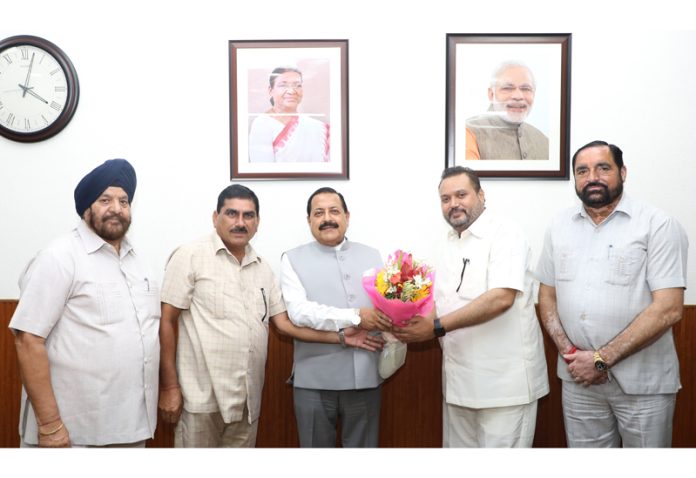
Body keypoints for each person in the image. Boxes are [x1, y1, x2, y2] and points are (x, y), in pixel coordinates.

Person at [158, 184, 380, 447]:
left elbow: (284, 325)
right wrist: (169, 387)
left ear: (257, 222)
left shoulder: (262, 267)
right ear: (215, 217)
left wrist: (342, 338)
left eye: (248, 216)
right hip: (202, 398)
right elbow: (167, 320)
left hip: (247, 401)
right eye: (232, 214)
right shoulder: (190, 256)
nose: (240, 223)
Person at [536, 140, 688, 447]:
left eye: (603, 168)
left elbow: (669, 308)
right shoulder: (558, 226)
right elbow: (547, 296)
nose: (592, 176)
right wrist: (572, 357)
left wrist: (601, 360)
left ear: (623, 172)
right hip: (579, 380)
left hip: (642, 385)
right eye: (582, 170)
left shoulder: (658, 225)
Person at [393, 166, 549, 448]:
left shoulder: (506, 233)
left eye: (461, 195)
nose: (453, 203)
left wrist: (435, 327)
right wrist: (400, 323)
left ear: (481, 195)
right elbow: (437, 302)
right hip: (458, 383)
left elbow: (501, 297)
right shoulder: (446, 243)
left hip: (504, 387)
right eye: (445, 198)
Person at [9, 159, 159, 448]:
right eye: (105, 199)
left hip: (131, 428)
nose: (116, 208)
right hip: (71, 433)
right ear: (87, 208)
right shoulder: (60, 256)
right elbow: (28, 339)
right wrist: (51, 425)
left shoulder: (139, 261)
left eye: (124, 201)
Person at [280, 186, 392, 447]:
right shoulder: (291, 259)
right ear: (309, 220)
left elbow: (386, 307)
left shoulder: (373, 256)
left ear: (347, 216)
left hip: (365, 377)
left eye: (334, 211)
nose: (327, 218)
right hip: (313, 380)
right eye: (318, 213)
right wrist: (355, 316)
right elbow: (299, 313)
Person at [465, 61, 548, 160]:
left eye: (526, 89)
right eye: (508, 88)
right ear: (491, 95)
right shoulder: (468, 132)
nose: (518, 96)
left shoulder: (544, 141)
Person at [248, 66, 330, 163]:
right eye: (283, 85)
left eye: (297, 85)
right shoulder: (262, 124)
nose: (292, 91)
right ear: (270, 90)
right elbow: (263, 171)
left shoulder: (316, 127)